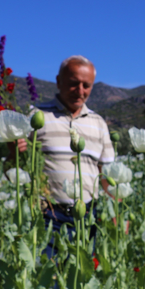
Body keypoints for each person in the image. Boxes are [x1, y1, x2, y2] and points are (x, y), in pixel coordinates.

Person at [12, 55, 115, 252]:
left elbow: (107, 173)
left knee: (82, 270)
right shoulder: (36, 116)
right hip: (47, 215)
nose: (80, 91)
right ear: (59, 82)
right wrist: (14, 151)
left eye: (86, 85)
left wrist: (116, 210)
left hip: (87, 216)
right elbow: (15, 167)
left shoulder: (99, 123)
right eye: (73, 83)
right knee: (47, 271)